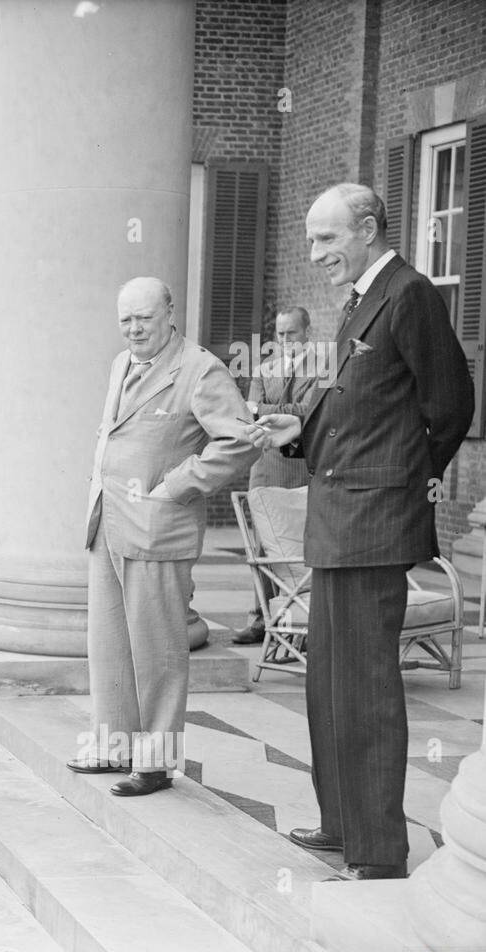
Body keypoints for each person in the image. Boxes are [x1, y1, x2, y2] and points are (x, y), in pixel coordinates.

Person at [250, 183, 474, 881]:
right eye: (312, 240)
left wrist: (406, 479)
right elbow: (359, 408)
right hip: (340, 518)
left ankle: (379, 850)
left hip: (374, 522)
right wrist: (299, 435)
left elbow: (452, 403)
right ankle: (344, 826)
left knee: (368, 688)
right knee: (331, 684)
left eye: (326, 239)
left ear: (369, 229)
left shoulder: (408, 294)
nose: (315, 254)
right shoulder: (358, 304)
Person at [76, 276, 258, 796]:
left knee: (157, 650)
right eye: (126, 319)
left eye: (144, 318)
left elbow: (241, 442)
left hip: (158, 528)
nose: (134, 328)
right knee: (109, 644)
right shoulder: (119, 364)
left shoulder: (200, 369)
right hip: (106, 522)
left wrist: (175, 486)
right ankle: (114, 745)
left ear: (170, 313)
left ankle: (154, 763)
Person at [231, 306, 316, 647]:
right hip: (265, 463)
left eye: (291, 333)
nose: (284, 340)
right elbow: (246, 413)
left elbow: (309, 412)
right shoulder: (264, 368)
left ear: (307, 332)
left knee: (299, 540)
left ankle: (299, 615)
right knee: (262, 540)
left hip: (300, 464)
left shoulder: (322, 368)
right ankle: (261, 618)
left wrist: (264, 409)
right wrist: (269, 412)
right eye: (280, 334)